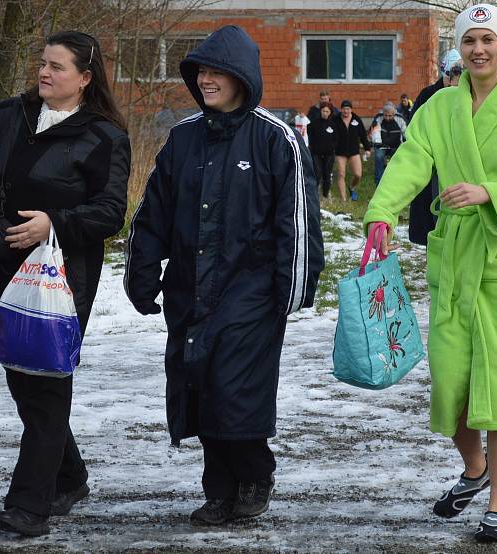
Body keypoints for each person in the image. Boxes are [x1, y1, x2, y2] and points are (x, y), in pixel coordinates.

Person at [364, 4, 497, 542]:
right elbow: (411, 160)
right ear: (459, 49)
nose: (479, 49)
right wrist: (382, 212)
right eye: (470, 40)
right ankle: (474, 470)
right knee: (450, 387)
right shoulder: (439, 108)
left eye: (488, 40)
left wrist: (491, 193)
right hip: (454, 259)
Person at [123, 25, 324, 526]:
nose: (207, 80)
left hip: (253, 290)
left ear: (242, 77)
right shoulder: (183, 138)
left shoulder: (276, 139)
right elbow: (152, 215)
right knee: (199, 382)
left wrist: (293, 288)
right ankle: (219, 489)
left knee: (235, 385)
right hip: (191, 287)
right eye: (201, 72)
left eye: (217, 72)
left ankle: (255, 476)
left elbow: (297, 221)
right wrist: (142, 276)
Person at [0, 31, 130, 536]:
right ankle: (68, 476)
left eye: (57, 66)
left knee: (46, 385)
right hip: (0, 269)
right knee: (22, 381)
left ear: (85, 78)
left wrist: (55, 222)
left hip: (61, 279)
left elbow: (111, 212)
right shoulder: (11, 114)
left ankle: (31, 506)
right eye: (42, 63)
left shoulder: (104, 137)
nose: (44, 73)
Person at [407, 49, 465, 246]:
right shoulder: (429, 95)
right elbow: (415, 134)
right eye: (454, 75)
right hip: (434, 162)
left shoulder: (471, 95)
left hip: (461, 165)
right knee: (435, 207)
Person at [333, 99, 371, 201]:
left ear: (351, 109)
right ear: (341, 110)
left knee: (358, 174)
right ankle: (343, 199)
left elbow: (363, 135)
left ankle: (352, 187)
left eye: (348, 109)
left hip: (354, 151)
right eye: (344, 109)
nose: (346, 111)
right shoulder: (335, 120)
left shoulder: (356, 119)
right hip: (340, 152)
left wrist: (367, 149)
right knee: (341, 174)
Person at [368, 102, 406, 185]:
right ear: (383, 113)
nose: (387, 118)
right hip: (382, 145)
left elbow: (405, 133)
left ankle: (398, 178)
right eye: (385, 115)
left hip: (396, 146)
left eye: (390, 116)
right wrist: (377, 142)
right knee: (378, 156)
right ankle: (379, 181)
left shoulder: (400, 119)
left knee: (400, 159)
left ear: (394, 114)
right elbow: (375, 132)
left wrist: (405, 143)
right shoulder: (378, 118)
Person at [308, 102, 339, 197]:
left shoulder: (333, 125)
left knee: (327, 175)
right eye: (323, 111)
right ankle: (314, 194)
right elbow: (309, 136)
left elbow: (336, 138)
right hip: (316, 153)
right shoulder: (314, 124)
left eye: (327, 111)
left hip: (329, 154)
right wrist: (312, 147)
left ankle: (325, 194)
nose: (325, 113)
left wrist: (332, 147)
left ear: (330, 112)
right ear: (320, 111)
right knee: (317, 174)